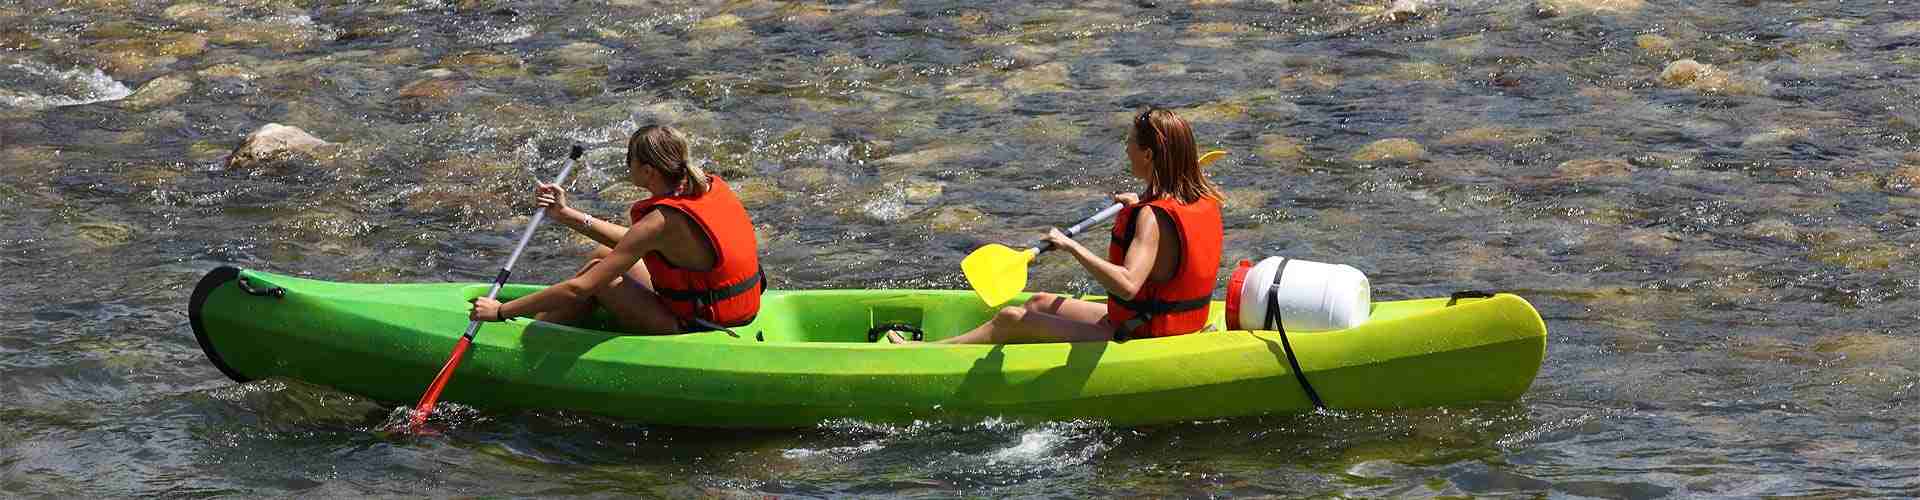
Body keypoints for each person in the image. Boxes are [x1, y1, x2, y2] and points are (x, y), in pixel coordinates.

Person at [893, 108, 1224, 344]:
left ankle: (924, 353)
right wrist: (1137, 204)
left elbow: (1128, 285)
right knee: (1038, 302)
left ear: (1148, 155)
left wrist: (1071, 247)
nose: (1126, 149)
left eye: (1130, 143)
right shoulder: (1198, 197)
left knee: (1011, 318)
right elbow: (1166, 244)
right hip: (1168, 321)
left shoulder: (1151, 218)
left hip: (1142, 332)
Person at [470, 125, 763, 334]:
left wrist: (500, 311)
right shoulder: (703, 187)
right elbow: (635, 243)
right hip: (727, 306)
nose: (627, 167)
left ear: (647, 171)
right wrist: (565, 214)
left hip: (701, 324)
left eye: (629, 160)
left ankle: (534, 335)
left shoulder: (660, 221)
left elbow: (580, 288)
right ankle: (550, 323)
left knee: (600, 279)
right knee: (604, 254)